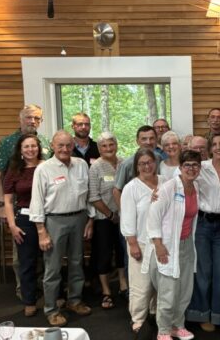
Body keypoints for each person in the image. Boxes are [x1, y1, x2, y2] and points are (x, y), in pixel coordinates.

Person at [29, 130, 94, 326]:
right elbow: (37, 201)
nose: (65, 149)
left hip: (79, 219)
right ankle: (51, 309)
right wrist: (41, 232)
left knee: (77, 263)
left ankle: (74, 301)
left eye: (68, 145)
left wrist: (90, 219)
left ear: (73, 145)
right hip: (54, 222)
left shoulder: (81, 165)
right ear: (53, 146)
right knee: (53, 268)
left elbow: (88, 195)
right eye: (60, 145)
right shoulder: (44, 169)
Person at [145, 149, 202, 340]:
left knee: (185, 289)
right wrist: (158, 244)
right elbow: (153, 217)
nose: (191, 169)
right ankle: (163, 330)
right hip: (168, 246)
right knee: (168, 292)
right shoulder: (169, 188)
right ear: (180, 167)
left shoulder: (196, 188)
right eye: (187, 165)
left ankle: (178, 325)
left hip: (187, 245)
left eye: (195, 165)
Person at [187, 132, 220, 331]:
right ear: (210, 149)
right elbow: (182, 181)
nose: (218, 147)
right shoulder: (201, 168)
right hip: (203, 224)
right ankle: (202, 313)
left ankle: (219, 314)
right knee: (203, 271)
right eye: (215, 144)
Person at [120, 148, 166, 334]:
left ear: (155, 163)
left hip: (162, 243)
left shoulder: (165, 182)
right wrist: (132, 244)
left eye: (149, 162)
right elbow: (127, 219)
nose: (147, 166)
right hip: (141, 242)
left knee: (160, 283)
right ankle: (138, 318)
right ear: (136, 166)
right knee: (141, 284)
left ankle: (155, 312)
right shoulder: (131, 187)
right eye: (142, 163)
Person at [3, 134, 44, 317]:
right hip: (25, 221)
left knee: (51, 261)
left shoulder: (47, 166)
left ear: (38, 147)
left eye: (33, 146)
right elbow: (9, 200)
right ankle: (29, 301)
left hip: (47, 218)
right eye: (26, 147)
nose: (30, 150)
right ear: (20, 150)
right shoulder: (14, 170)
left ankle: (55, 297)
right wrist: (12, 225)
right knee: (27, 263)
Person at [88, 131, 127, 309]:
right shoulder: (95, 167)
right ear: (99, 148)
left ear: (116, 145)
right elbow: (94, 197)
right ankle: (106, 291)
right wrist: (111, 215)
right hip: (104, 218)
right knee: (103, 254)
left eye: (111, 144)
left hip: (124, 218)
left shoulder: (124, 163)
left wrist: (121, 215)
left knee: (121, 253)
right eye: (104, 146)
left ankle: (123, 285)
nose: (108, 148)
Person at [0, 105, 51, 222]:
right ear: (20, 119)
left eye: (37, 118)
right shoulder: (7, 143)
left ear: (41, 121)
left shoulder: (46, 141)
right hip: (18, 207)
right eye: (29, 117)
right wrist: (1, 207)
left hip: (46, 207)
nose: (33, 121)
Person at [113, 125, 159, 208]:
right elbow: (116, 191)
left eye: (151, 138)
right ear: (137, 141)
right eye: (144, 139)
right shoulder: (127, 164)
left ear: (156, 140)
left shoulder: (159, 158)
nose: (148, 142)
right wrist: (124, 213)